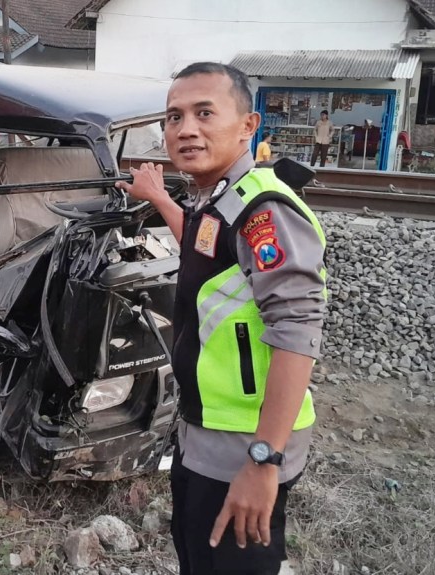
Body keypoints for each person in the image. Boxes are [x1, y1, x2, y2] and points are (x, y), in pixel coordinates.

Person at [116, 62, 326, 575]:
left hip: (245, 444)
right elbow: (204, 245)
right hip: (207, 433)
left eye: (204, 113)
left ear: (248, 126)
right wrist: (162, 198)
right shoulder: (221, 200)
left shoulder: (265, 211)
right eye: (174, 117)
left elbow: (297, 335)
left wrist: (264, 462)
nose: (185, 129)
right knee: (197, 555)